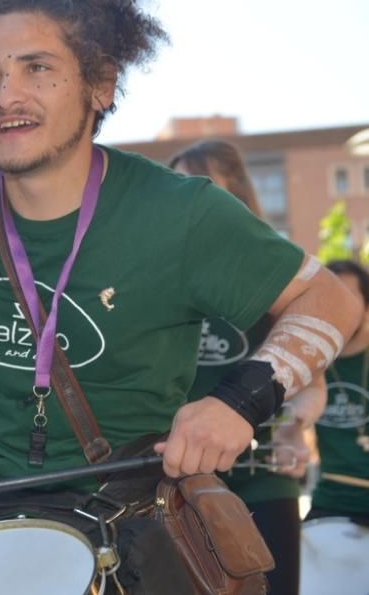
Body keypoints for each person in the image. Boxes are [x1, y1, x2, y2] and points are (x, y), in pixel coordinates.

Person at [0, 0, 361, 591]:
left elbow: (332, 299)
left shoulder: (181, 213)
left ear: (99, 85)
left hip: (126, 525)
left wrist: (241, 402)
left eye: (36, 68)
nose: (6, 95)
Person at [170, 139, 327, 595]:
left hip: (263, 481)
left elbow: (310, 383)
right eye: (175, 185)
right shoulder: (164, 271)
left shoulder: (272, 269)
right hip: (179, 483)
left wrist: (294, 428)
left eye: (196, 183)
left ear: (233, 191)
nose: (183, 198)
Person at [308, 260, 369, 525]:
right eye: (331, 298)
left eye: (349, 297)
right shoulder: (308, 361)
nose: (339, 308)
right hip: (329, 502)